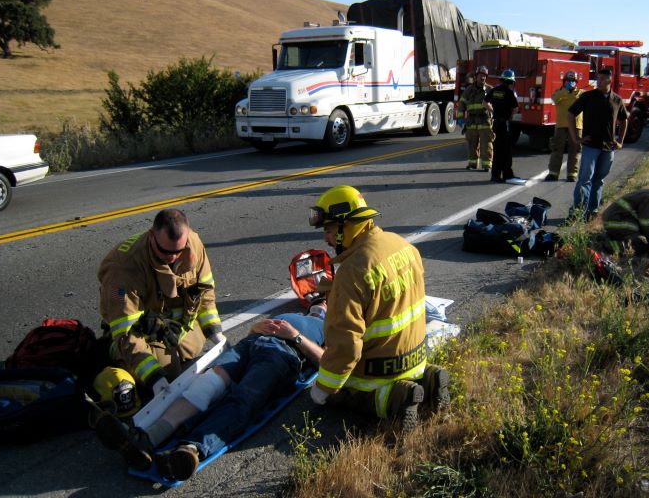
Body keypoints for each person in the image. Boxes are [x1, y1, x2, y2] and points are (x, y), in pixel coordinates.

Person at [95, 301, 327, 481]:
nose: (322, 303)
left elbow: (327, 363)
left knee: (244, 397)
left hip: (282, 355)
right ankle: (147, 439)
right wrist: (255, 328)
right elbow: (252, 333)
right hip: (250, 344)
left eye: (327, 303)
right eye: (320, 301)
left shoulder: (333, 329)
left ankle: (191, 449)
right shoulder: (294, 314)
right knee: (206, 385)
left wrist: (294, 337)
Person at [307, 185, 450, 431]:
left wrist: (322, 390)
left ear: (345, 226)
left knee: (341, 393)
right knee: (413, 372)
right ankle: (430, 377)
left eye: (329, 230)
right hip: (415, 357)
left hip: (380, 371)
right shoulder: (402, 245)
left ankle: (395, 400)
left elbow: (346, 347)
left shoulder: (351, 272)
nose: (326, 238)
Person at [98, 209, 223, 397]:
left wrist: (215, 332)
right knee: (165, 372)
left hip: (175, 328)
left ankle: (171, 354)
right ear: (151, 236)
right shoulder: (124, 267)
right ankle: (114, 353)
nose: (172, 257)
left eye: (178, 251)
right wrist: (154, 377)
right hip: (140, 335)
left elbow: (205, 292)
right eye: (164, 251)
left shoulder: (193, 244)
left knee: (195, 347)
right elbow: (127, 332)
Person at [567, 68, 628, 221]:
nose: (598, 82)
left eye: (601, 79)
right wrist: (576, 138)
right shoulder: (588, 96)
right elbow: (570, 114)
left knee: (599, 180)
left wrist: (620, 141)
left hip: (608, 148)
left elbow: (624, 119)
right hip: (590, 146)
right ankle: (577, 211)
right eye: (597, 79)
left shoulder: (617, 100)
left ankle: (592, 211)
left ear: (609, 81)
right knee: (584, 179)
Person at [486, 69, 525, 185]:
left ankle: (496, 175)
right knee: (506, 151)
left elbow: (485, 102)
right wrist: (509, 115)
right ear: (511, 81)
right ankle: (507, 174)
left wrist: (493, 111)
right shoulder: (509, 93)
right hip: (505, 125)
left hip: (496, 123)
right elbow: (516, 108)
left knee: (497, 150)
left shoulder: (494, 90)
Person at [546, 70, 583, 182]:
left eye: (572, 81)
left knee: (575, 150)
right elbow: (554, 98)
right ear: (564, 81)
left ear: (576, 81)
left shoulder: (581, 93)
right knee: (557, 149)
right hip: (561, 125)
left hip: (576, 126)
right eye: (568, 80)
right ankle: (553, 173)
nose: (570, 82)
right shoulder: (558, 92)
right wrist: (567, 92)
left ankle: (572, 174)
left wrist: (574, 95)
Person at [457, 65, 494, 171]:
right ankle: (472, 163)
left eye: (484, 76)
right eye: (481, 75)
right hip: (471, 121)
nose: (483, 78)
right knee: (472, 144)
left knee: (486, 144)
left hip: (484, 120)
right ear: (476, 76)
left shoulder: (489, 89)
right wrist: (460, 116)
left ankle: (487, 165)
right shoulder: (469, 90)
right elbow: (462, 103)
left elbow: (496, 104)